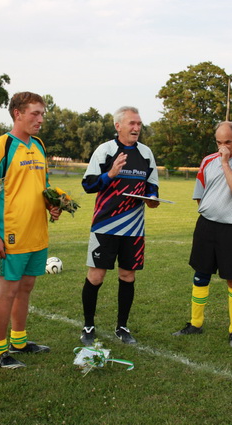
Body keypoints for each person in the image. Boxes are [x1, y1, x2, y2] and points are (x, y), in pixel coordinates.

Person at [0, 92, 61, 369]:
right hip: (11, 234)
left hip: (37, 233)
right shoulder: (0, 147)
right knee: (7, 291)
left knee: (26, 288)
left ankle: (19, 340)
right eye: (35, 113)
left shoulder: (38, 145)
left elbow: (42, 186)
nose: (40, 119)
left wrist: (53, 205)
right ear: (17, 113)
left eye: (42, 114)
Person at [172, 121, 232, 348]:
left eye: (228, 142)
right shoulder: (207, 161)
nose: (223, 147)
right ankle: (195, 324)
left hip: (231, 229)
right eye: (219, 143)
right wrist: (211, 211)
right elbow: (199, 194)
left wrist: (225, 163)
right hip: (206, 226)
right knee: (200, 275)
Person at [79, 106, 160, 346]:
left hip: (134, 228)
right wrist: (111, 174)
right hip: (105, 225)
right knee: (96, 276)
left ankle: (122, 327)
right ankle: (88, 326)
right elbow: (88, 185)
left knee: (127, 276)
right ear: (118, 126)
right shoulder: (105, 151)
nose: (136, 128)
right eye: (132, 123)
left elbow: (152, 186)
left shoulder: (146, 153)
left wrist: (152, 198)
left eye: (139, 123)